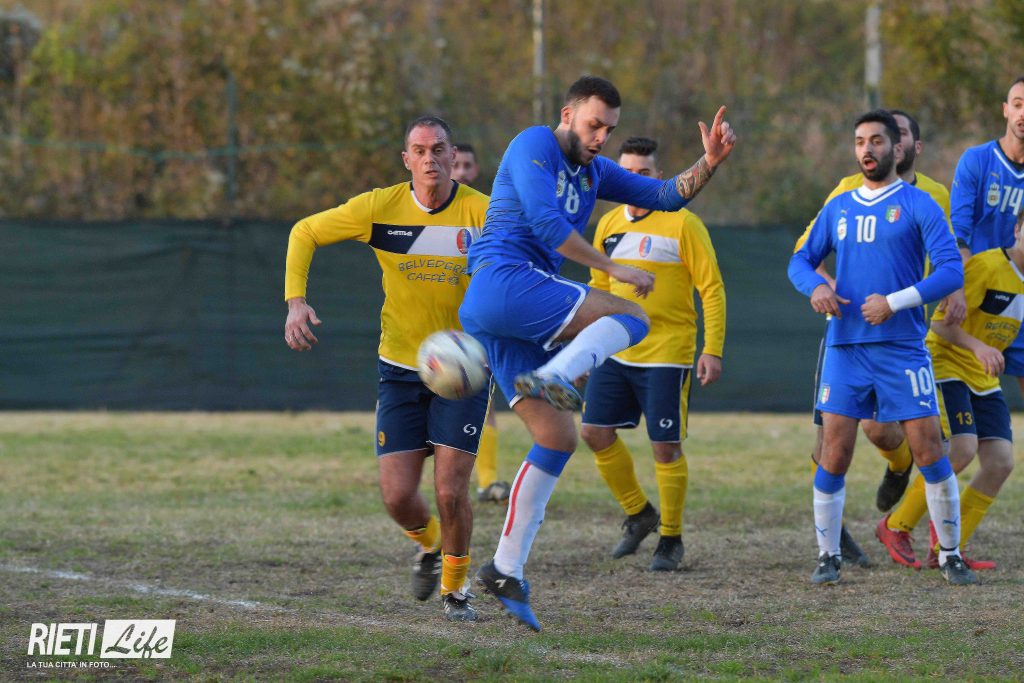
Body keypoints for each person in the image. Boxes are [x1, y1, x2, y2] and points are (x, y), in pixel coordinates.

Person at [459, 75, 736, 630]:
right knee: (632, 315)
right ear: (567, 115)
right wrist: (613, 268)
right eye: (593, 125)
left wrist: (708, 163)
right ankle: (560, 374)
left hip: (506, 311)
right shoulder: (534, 143)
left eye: (609, 129)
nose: (601, 137)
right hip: (506, 282)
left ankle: (505, 568)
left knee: (558, 438)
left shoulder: (596, 171)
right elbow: (545, 224)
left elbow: (665, 195)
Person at [283, 116, 491, 622]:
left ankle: (455, 591)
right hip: (400, 368)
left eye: (438, 149)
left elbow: (525, 264)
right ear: (406, 159)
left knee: (450, 490)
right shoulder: (379, 207)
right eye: (419, 150)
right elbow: (305, 231)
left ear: (453, 156)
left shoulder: (483, 212)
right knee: (398, 497)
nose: (429, 158)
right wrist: (295, 302)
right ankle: (431, 544)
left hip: (463, 370)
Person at [788, 109, 973, 586]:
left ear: (897, 147)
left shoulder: (920, 204)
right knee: (834, 452)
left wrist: (894, 302)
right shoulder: (839, 206)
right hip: (846, 348)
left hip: (903, 348)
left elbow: (950, 271)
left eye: (876, 141)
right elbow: (800, 260)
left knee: (928, 450)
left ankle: (950, 555)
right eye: (859, 142)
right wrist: (816, 287)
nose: (867, 149)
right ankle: (828, 556)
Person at [580, 136, 726, 572]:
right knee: (594, 433)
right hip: (615, 347)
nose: (635, 180)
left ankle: (671, 538)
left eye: (644, 173)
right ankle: (639, 513)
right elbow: (597, 290)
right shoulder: (608, 225)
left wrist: (712, 349)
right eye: (627, 173)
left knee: (665, 446)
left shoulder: (683, 223)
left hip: (668, 351)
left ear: (658, 177)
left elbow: (711, 289)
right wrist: (587, 347)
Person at [880, 206, 1024, 570]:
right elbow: (940, 325)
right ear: (1017, 230)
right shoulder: (986, 266)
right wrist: (979, 348)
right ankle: (895, 526)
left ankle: (948, 548)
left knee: (1001, 462)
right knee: (961, 449)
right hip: (947, 365)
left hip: (983, 377)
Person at [950, 77, 1024, 391]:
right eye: (1018, 105)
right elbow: (959, 231)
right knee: (964, 386)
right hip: (979, 293)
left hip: (1020, 294)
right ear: (1006, 110)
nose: (1023, 113)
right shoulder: (977, 160)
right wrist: (961, 286)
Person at [452, 142, 512, 504]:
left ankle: (487, 481)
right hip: (427, 323)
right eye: (455, 164)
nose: (460, 171)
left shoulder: (489, 212)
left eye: (467, 165)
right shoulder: (420, 212)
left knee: (482, 402)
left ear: (475, 171)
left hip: (474, 325)